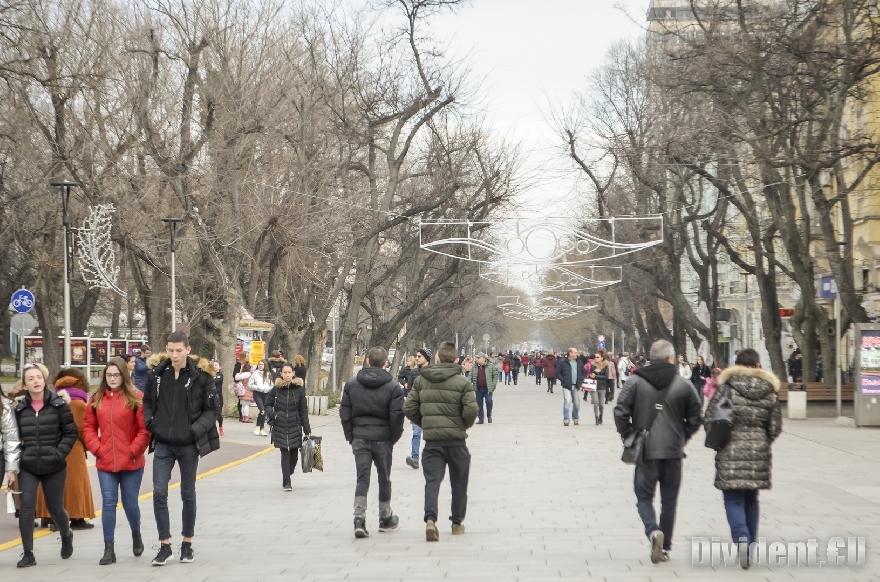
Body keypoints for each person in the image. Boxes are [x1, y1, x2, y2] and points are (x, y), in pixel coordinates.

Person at [613, 340, 703, 564]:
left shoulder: (635, 381)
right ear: (671, 359)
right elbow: (696, 417)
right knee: (669, 501)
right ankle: (665, 547)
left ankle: (653, 531)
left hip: (646, 451)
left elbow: (620, 410)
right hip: (673, 452)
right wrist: (683, 437)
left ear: (651, 357)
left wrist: (629, 435)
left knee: (644, 497)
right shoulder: (683, 384)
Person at [143, 331, 220, 566]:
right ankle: (164, 545)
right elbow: (147, 402)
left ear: (188, 349)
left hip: (188, 445)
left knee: (188, 493)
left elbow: (212, 410)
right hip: (164, 443)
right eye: (170, 350)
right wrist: (152, 423)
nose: (174, 355)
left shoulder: (202, 377)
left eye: (179, 350)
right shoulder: (157, 374)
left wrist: (194, 430)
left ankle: (187, 543)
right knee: (159, 492)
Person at [704, 348, 782, 569]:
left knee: (733, 500)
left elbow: (710, 418)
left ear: (735, 365)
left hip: (730, 450)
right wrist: (762, 440)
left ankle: (742, 541)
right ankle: (751, 545)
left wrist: (719, 440)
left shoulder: (726, 389)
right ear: (758, 366)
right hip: (759, 452)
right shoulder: (769, 390)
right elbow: (775, 427)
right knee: (751, 499)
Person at [403, 341, 477, 541]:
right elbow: (471, 410)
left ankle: (430, 520)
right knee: (459, 483)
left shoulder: (422, 381)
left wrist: (426, 423)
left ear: (436, 358)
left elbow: (409, 408)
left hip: (432, 443)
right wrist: (461, 425)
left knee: (432, 482)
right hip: (456, 442)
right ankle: (457, 523)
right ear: (456, 360)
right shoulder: (463, 383)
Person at [83, 357, 151, 565]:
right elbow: (88, 428)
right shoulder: (96, 398)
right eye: (109, 375)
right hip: (105, 461)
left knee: (130, 504)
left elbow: (144, 429)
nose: (112, 378)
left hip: (131, 461)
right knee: (109, 503)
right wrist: (97, 448)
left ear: (124, 375)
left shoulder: (136, 397)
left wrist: (133, 451)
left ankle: (136, 533)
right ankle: (108, 548)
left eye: (116, 374)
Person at [14, 363, 78, 568]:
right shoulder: (20, 409)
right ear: (24, 384)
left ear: (44, 379)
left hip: (55, 465)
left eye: (38, 377)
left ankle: (66, 534)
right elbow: (13, 438)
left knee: (55, 507)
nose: (35, 381)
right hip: (28, 465)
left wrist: (58, 454)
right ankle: (28, 553)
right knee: (26, 509)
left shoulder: (59, 404)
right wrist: (18, 460)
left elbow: (71, 433)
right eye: (30, 378)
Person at [340, 346, 405, 538]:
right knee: (384, 478)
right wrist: (393, 438)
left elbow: (345, 414)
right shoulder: (393, 387)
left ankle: (359, 518)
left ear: (367, 360)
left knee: (362, 478)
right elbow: (397, 417)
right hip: (383, 438)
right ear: (386, 363)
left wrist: (351, 436)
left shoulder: (352, 384)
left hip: (360, 437)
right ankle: (385, 517)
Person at [36, 368, 96, 531]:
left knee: (51, 481)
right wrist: (87, 446)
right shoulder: (79, 403)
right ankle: (77, 517)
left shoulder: (51, 399)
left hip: (51, 445)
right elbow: (84, 429)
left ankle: (48, 516)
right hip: (72, 448)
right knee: (75, 483)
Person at [265, 363, 310, 491]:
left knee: (294, 456)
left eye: (289, 372)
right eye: (285, 372)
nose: (287, 375)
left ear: (293, 373)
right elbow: (267, 404)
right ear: (281, 374)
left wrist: (307, 429)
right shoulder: (276, 389)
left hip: (294, 425)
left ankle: (288, 473)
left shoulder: (299, 389)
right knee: (285, 453)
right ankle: (287, 482)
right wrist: (273, 415)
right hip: (280, 425)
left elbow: (303, 411)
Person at [405, 348, 431, 470]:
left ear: (427, 358)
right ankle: (415, 458)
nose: (416, 358)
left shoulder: (434, 372)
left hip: (431, 409)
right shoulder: (414, 373)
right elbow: (409, 388)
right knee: (416, 433)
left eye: (419, 356)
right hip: (418, 408)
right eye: (416, 356)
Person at [557, 347, 585, 426]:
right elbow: (558, 372)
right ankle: (566, 419)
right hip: (567, 386)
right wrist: (563, 380)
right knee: (567, 402)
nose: (577, 354)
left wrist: (581, 380)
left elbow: (583, 372)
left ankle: (575, 418)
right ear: (570, 353)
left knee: (576, 403)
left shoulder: (579, 362)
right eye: (575, 352)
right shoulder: (563, 362)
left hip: (576, 385)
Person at [469, 353, 498, 424]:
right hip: (478, 388)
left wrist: (493, 385)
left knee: (489, 401)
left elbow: (495, 376)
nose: (477, 359)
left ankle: (489, 415)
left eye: (478, 358)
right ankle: (480, 419)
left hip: (488, 389)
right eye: (477, 358)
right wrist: (468, 384)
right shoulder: (474, 367)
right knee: (479, 404)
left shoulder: (490, 366)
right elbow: (470, 376)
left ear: (483, 358)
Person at [248, 360, 273, 437]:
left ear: (265, 365)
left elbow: (271, 385)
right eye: (259, 364)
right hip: (257, 394)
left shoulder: (268, 374)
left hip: (266, 394)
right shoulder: (255, 374)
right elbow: (249, 385)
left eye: (262, 364)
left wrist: (268, 388)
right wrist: (257, 387)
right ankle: (258, 427)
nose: (260, 366)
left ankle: (261, 428)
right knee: (262, 410)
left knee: (264, 411)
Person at [233, 353, 253, 422]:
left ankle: (244, 416)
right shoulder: (239, 365)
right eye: (247, 356)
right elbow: (235, 375)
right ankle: (242, 416)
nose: (248, 357)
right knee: (242, 402)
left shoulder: (248, 364)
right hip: (241, 385)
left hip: (243, 384)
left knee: (243, 402)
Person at [589, 354, 608, 425]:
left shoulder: (605, 366)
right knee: (595, 402)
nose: (596, 358)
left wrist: (596, 375)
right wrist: (593, 372)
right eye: (595, 357)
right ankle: (596, 417)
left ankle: (601, 416)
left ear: (601, 358)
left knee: (601, 404)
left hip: (602, 387)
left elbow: (606, 377)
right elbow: (590, 374)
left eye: (597, 357)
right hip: (594, 386)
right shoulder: (592, 365)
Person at [211, 361, 225, 436]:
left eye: (216, 365)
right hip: (211, 396)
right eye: (213, 365)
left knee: (218, 413)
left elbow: (214, 381)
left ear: (220, 367)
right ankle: (212, 429)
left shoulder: (220, 375)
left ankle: (220, 426)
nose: (214, 366)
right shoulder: (209, 374)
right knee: (210, 413)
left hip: (218, 397)